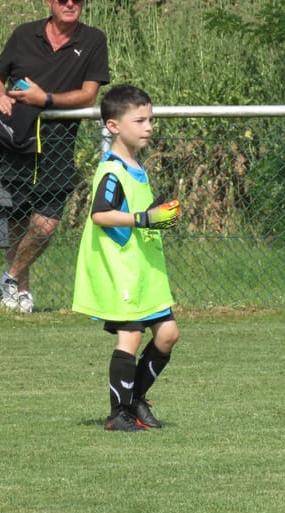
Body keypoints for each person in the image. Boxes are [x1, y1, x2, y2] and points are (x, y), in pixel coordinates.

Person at [0, 0, 109, 312]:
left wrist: (45, 99)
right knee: (16, 218)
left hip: (58, 143)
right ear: (49, 3)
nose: (71, 4)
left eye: (77, 0)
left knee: (45, 225)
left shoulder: (93, 39)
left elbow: (88, 94)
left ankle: (9, 277)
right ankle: (20, 290)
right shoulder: (24, 34)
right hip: (17, 139)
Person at [72, 84, 182, 432]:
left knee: (167, 334)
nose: (148, 126)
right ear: (113, 125)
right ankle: (118, 414)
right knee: (131, 338)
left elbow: (134, 211)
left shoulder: (136, 166)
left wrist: (156, 213)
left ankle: (135, 400)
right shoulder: (112, 171)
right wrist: (142, 218)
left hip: (144, 270)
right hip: (120, 271)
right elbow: (101, 215)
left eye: (151, 119)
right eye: (139, 120)